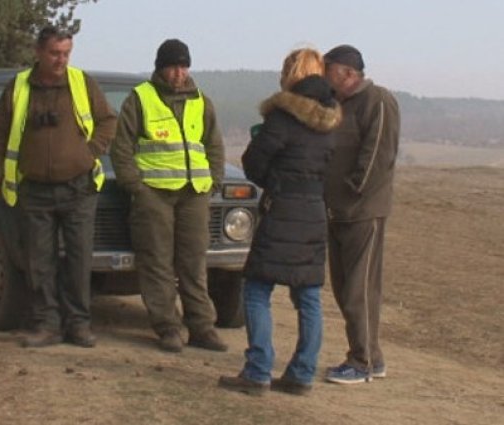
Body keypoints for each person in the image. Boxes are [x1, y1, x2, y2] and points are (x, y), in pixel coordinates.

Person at [217, 48, 342, 396]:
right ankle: (302, 373)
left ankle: (257, 371)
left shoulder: (282, 118)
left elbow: (253, 165)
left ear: (291, 74)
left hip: (282, 210)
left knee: (256, 290)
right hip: (314, 213)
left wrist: (275, 180)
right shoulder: (332, 123)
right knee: (309, 297)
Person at [0, 26, 117, 348]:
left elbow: (108, 120)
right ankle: (46, 325)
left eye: (66, 53)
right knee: (39, 262)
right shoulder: (18, 87)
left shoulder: (82, 83)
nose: (61, 60)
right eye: (55, 53)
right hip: (34, 189)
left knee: (78, 260)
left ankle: (79, 326)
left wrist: (89, 152)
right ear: (38, 52)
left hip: (78, 188)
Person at [111, 39, 227, 353]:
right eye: (173, 66)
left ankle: (202, 328)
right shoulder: (140, 99)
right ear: (160, 67)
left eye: (183, 66)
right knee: (157, 263)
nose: (179, 73)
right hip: (154, 196)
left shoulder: (202, 101)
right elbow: (121, 148)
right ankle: (168, 329)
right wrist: (138, 188)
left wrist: (213, 181)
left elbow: (214, 145)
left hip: (194, 195)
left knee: (193, 263)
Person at [321, 45, 400, 384]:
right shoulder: (336, 106)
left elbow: (378, 156)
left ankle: (361, 361)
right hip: (336, 212)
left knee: (359, 289)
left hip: (361, 213)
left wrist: (353, 191)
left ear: (348, 73)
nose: (325, 78)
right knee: (344, 289)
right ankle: (373, 357)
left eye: (329, 71)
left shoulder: (379, 101)